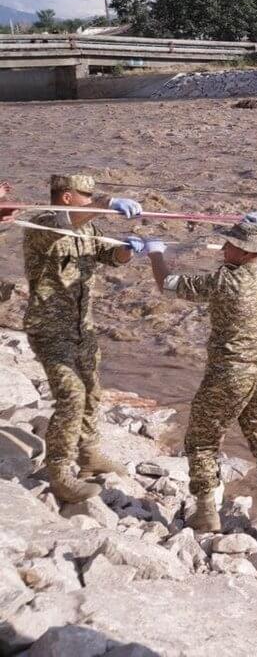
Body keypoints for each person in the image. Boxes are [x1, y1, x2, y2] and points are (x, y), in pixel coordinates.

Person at [144, 213, 257, 545]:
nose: (224, 248)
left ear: (245, 253)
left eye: (230, 244)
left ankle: (207, 514)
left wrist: (154, 252)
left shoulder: (223, 282)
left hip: (228, 377)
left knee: (202, 440)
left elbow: (167, 285)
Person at [22, 174, 144, 503]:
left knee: (91, 390)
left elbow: (109, 255)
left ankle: (88, 454)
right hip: (50, 329)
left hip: (82, 327)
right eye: (86, 195)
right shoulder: (42, 224)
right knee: (72, 395)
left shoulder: (88, 228)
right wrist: (106, 205)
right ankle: (59, 470)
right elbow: (66, 222)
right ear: (66, 197)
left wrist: (128, 251)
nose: (92, 198)